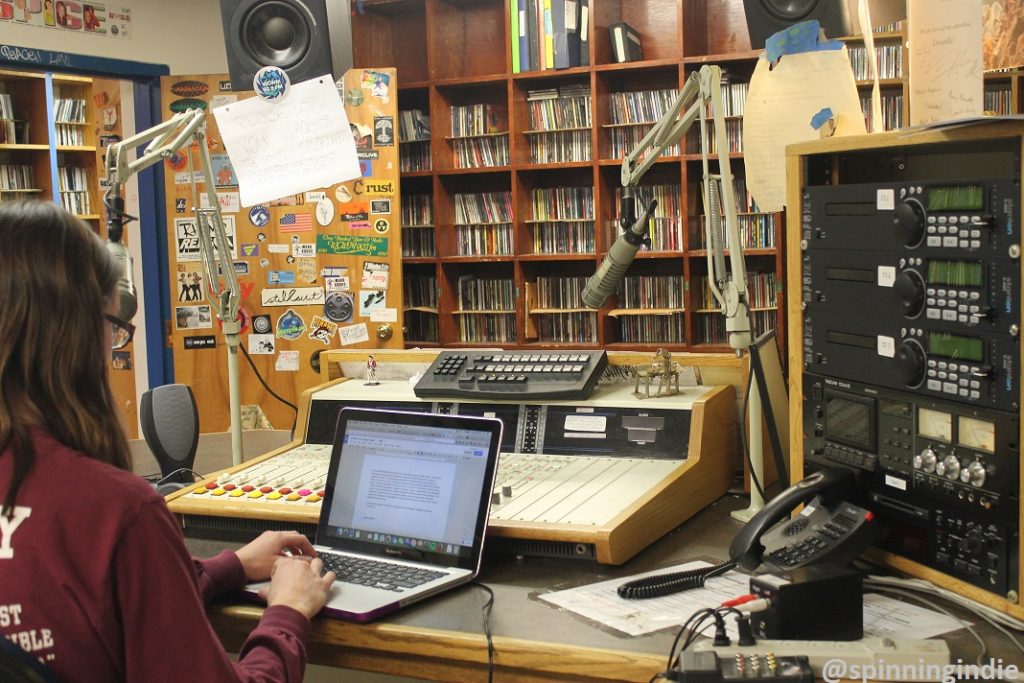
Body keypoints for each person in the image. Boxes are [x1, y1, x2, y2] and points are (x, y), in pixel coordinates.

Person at [0, 200, 336, 682]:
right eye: (114, 328)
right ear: (72, 336)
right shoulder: (115, 511)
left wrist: (229, 567)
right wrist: (288, 611)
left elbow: (77, 605)